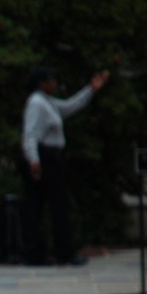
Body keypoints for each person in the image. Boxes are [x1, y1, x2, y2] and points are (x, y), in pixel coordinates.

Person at [20, 64, 110, 266]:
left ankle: (56, 251)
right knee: (48, 205)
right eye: (51, 80)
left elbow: (69, 106)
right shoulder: (37, 103)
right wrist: (33, 158)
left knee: (52, 204)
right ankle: (50, 252)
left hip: (51, 157)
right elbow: (30, 133)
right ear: (41, 84)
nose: (55, 84)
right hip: (45, 157)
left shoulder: (47, 102)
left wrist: (91, 89)